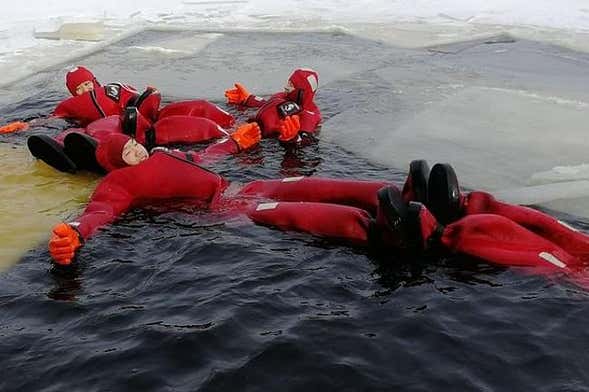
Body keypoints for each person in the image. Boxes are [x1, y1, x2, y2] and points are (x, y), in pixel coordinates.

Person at [46, 158, 589, 286]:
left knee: (411, 197)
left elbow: (215, 136)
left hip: (250, 187)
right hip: (231, 212)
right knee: (362, 220)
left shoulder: (161, 149)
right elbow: (103, 207)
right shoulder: (123, 180)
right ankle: (567, 268)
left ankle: (572, 246)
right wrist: (79, 235)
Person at [27, 105, 240, 173]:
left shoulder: (157, 152)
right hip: (102, 138)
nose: (138, 151)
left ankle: (89, 158)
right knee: (92, 144)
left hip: (107, 135)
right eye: (131, 152)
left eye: (135, 147)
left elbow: (198, 158)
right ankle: (87, 160)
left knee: (103, 144)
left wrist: (235, 142)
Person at [53, 66, 234, 128]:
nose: (85, 90)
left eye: (87, 84)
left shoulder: (112, 88)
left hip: (143, 117)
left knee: (198, 106)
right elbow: (54, 118)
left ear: (94, 81)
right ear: (72, 93)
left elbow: (133, 95)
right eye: (79, 88)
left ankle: (231, 123)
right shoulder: (70, 106)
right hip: (116, 128)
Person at [224, 68, 321, 144]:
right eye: (288, 82)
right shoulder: (281, 96)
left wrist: (293, 139)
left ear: (301, 92)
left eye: (291, 85)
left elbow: (306, 142)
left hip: (254, 139)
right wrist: (249, 98)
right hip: (243, 127)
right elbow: (267, 104)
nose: (286, 87)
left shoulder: (308, 116)